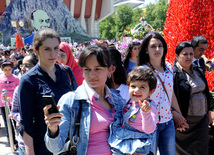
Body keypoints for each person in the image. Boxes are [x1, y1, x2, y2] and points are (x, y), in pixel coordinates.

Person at [44, 45, 127, 155]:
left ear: (110, 70)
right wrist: (53, 129)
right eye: (87, 69)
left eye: (98, 69)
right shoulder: (71, 101)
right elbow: (55, 148)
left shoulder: (118, 101)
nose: (92, 75)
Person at [18, 28, 78, 155]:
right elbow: (26, 125)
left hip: (70, 145)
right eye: (47, 49)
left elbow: (78, 105)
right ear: (36, 50)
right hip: (43, 147)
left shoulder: (66, 71)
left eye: (56, 48)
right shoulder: (28, 80)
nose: (53, 53)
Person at [137, 32, 188, 155]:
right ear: (146, 49)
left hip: (167, 122)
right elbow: (137, 98)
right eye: (153, 46)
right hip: (149, 123)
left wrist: (179, 116)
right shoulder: (141, 71)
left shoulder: (169, 68)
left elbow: (171, 94)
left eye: (160, 45)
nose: (157, 49)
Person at [173, 41, 213, 155]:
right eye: (185, 54)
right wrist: (176, 116)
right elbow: (170, 98)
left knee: (202, 150)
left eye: (191, 54)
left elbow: (206, 92)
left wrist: (209, 113)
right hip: (184, 122)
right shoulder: (173, 74)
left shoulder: (198, 70)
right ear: (177, 56)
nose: (189, 57)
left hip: (201, 121)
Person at [108, 67, 158, 155]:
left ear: (151, 91)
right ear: (128, 87)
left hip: (138, 143)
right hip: (124, 137)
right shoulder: (130, 101)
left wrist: (146, 113)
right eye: (133, 86)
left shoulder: (150, 107)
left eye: (142, 87)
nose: (136, 90)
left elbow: (150, 130)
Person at [10, 53, 38, 155]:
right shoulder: (19, 89)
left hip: (43, 140)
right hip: (24, 142)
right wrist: (24, 119)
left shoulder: (44, 87)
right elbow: (14, 111)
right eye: (22, 65)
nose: (23, 69)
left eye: (27, 65)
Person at [0, 60, 19, 147]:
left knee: (14, 122)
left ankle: (15, 138)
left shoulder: (16, 78)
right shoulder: (0, 78)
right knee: (7, 122)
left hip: (14, 104)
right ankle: (10, 140)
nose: (7, 71)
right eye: (5, 70)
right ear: (2, 69)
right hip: (3, 104)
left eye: (9, 69)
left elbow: (18, 90)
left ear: (12, 69)